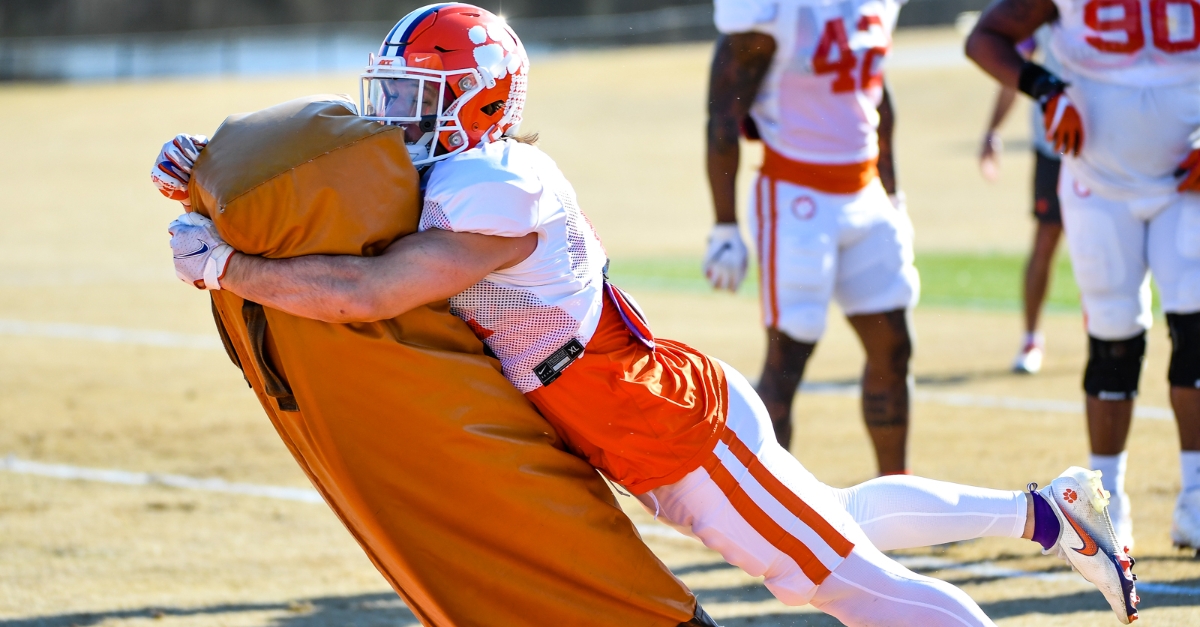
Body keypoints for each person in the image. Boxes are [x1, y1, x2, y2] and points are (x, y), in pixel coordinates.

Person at [156, 5, 1138, 623]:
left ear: (482, 105)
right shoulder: (453, 164)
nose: (399, 120)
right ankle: (1048, 515)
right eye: (396, 96)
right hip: (628, 396)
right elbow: (330, 176)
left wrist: (232, 263)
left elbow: (372, 288)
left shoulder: (498, 182)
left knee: (839, 584)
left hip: (655, 414)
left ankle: (1044, 528)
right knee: (827, 530)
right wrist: (218, 178)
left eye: (423, 100)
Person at [967, 0, 1200, 553]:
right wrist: (1047, 89)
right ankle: (1107, 505)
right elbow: (986, 38)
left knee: (1196, 337)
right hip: (1097, 179)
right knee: (1113, 341)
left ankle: (1194, 497)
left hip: (1186, 180)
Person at [701, 0, 918, 475]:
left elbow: (876, 91)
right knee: (788, 359)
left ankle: (898, 497)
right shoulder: (773, 10)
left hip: (865, 191)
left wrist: (894, 193)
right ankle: (768, 512)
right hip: (797, 197)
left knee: (894, 348)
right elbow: (722, 115)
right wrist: (724, 224)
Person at [978, 28, 1065, 375]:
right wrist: (992, 131)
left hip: (1108, 147)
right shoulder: (1042, 12)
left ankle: (1114, 336)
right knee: (1045, 239)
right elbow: (1016, 71)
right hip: (1055, 147)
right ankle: (1031, 338)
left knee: (1112, 245)